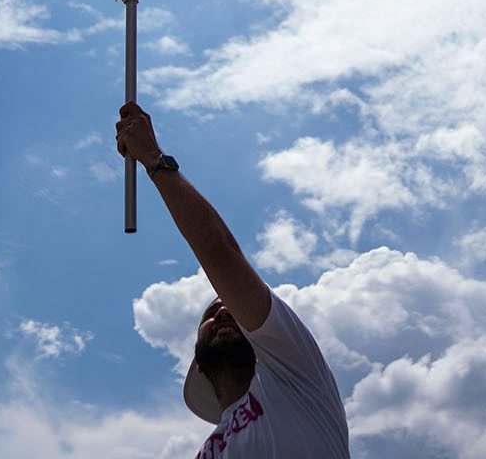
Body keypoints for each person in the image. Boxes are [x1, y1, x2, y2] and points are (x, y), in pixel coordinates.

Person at [116, 101, 351, 457]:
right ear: (195, 358)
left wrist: (153, 158)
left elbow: (219, 251)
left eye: (230, 305)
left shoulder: (296, 377)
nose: (223, 312)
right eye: (210, 314)